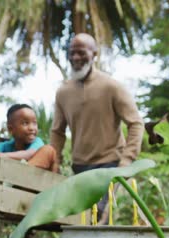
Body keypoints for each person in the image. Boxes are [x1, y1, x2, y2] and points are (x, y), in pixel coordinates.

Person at [50, 33, 144, 223]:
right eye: (72, 52)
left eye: (81, 52)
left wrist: (127, 160)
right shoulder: (63, 92)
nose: (76, 57)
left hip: (109, 164)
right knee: (80, 220)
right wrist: (55, 161)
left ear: (95, 54)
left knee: (100, 217)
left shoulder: (111, 86)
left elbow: (135, 123)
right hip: (79, 167)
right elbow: (57, 131)